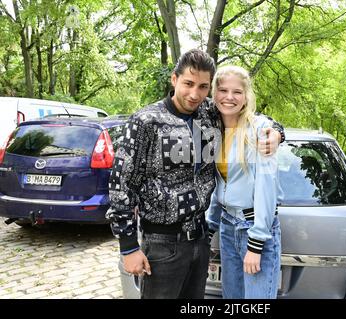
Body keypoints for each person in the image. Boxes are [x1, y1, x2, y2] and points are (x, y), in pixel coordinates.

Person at [106, 49, 285, 299]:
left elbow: (250, 117)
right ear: (174, 79)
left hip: (201, 241)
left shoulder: (208, 114)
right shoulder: (145, 121)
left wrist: (277, 133)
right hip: (161, 242)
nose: (194, 94)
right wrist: (128, 247)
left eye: (203, 87)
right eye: (188, 83)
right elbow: (120, 187)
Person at [206, 65, 282, 299]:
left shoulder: (260, 131)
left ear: (246, 95)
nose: (229, 97)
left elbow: (266, 189)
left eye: (237, 91)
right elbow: (216, 185)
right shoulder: (211, 130)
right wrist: (209, 227)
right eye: (223, 90)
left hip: (254, 229)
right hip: (228, 228)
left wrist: (256, 244)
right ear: (214, 93)